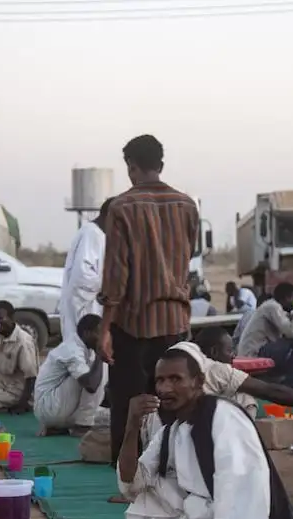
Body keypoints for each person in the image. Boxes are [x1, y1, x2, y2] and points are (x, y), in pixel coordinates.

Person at [116, 351, 293, 519]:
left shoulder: (222, 415)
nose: (165, 388)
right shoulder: (173, 430)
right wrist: (132, 425)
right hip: (204, 518)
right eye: (160, 380)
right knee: (150, 501)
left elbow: (242, 477)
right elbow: (133, 482)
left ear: (198, 382)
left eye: (175, 379)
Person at [98, 134, 199, 464]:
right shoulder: (187, 205)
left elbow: (117, 275)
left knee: (129, 405)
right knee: (175, 402)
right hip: (175, 321)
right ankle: (177, 469)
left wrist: (105, 330)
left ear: (131, 167)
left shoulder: (122, 207)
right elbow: (188, 256)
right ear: (161, 165)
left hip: (134, 323)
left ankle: (127, 478)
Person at [182, 328, 293, 418]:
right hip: (199, 429)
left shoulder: (184, 356)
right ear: (214, 351)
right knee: (245, 397)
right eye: (229, 350)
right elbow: (271, 391)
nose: (233, 355)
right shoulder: (217, 369)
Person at [34, 314, 106, 435]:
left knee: (108, 417)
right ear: (87, 333)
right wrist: (101, 354)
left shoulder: (83, 347)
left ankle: (62, 427)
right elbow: (91, 386)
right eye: (100, 333)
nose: (103, 338)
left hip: (56, 408)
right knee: (99, 368)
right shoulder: (72, 350)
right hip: (49, 407)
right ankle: (83, 425)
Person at [235, 281, 293, 387]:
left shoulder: (275, 308)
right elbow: (292, 333)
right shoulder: (272, 307)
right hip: (254, 354)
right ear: (287, 298)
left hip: (256, 351)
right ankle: (292, 383)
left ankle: (285, 379)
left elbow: (287, 328)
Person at [60, 198, 110, 350]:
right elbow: (82, 277)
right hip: (85, 309)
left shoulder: (95, 233)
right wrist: (107, 288)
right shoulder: (92, 234)